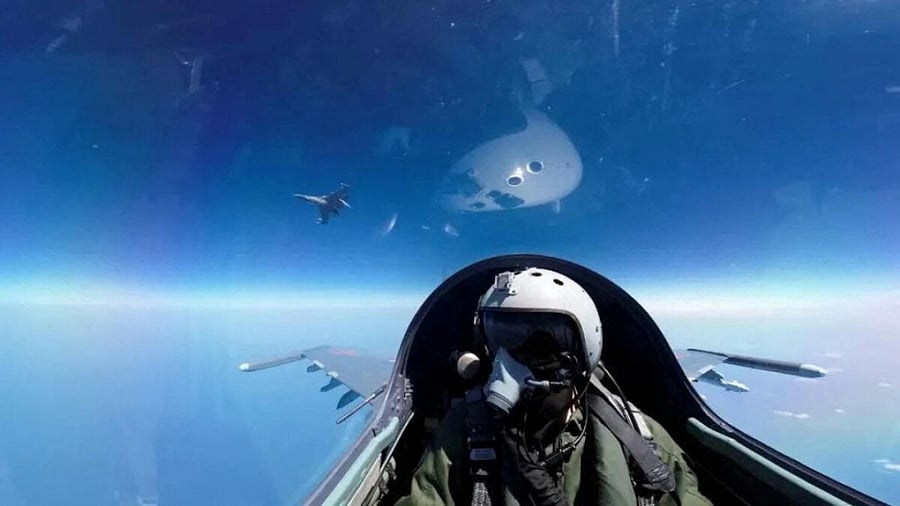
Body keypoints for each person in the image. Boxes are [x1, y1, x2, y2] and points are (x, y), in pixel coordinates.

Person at [394, 267, 713, 506]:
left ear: (582, 352)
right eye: (501, 339)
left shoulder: (642, 442)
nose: (510, 363)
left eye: (540, 344)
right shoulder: (461, 434)